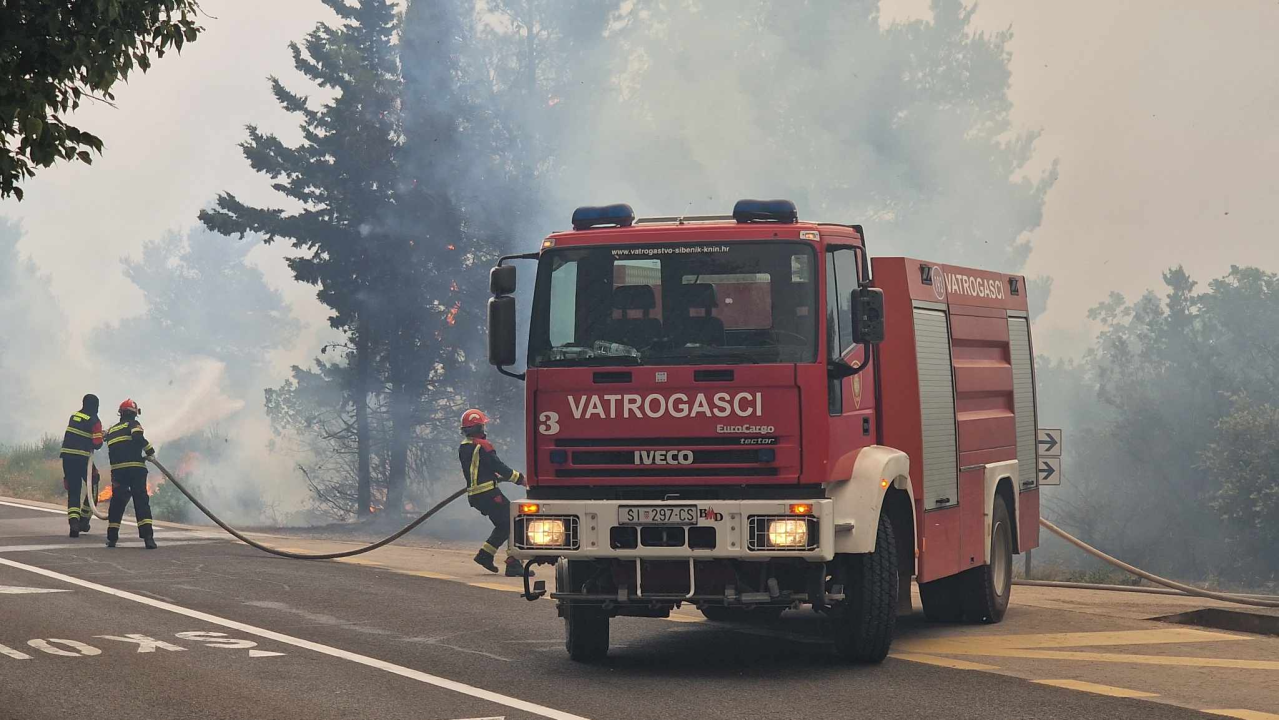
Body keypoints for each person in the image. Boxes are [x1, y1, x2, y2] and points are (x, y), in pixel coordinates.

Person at [458, 408, 530, 577]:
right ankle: (513, 563)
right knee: (514, 520)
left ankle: (486, 555)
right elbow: (499, 466)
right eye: (482, 426)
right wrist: (521, 479)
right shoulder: (483, 446)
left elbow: (478, 468)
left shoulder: (464, 447)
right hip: (488, 493)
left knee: (504, 524)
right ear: (478, 428)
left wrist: (492, 475)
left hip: (476, 495)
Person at [104, 399, 157, 549]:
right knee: (141, 502)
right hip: (135, 469)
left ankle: (112, 538)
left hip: (118, 471)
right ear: (134, 414)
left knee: (117, 503)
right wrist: (150, 451)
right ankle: (148, 538)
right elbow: (138, 438)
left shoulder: (112, 430)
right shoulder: (134, 425)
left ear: (120, 413)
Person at [59, 394, 103, 537]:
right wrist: (101, 436)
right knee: (94, 481)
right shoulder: (94, 420)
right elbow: (97, 444)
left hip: (67, 457)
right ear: (96, 406)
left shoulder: (74, 416)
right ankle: (84, 519)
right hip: (82, 458)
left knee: (73, 490)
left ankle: (74, 525)